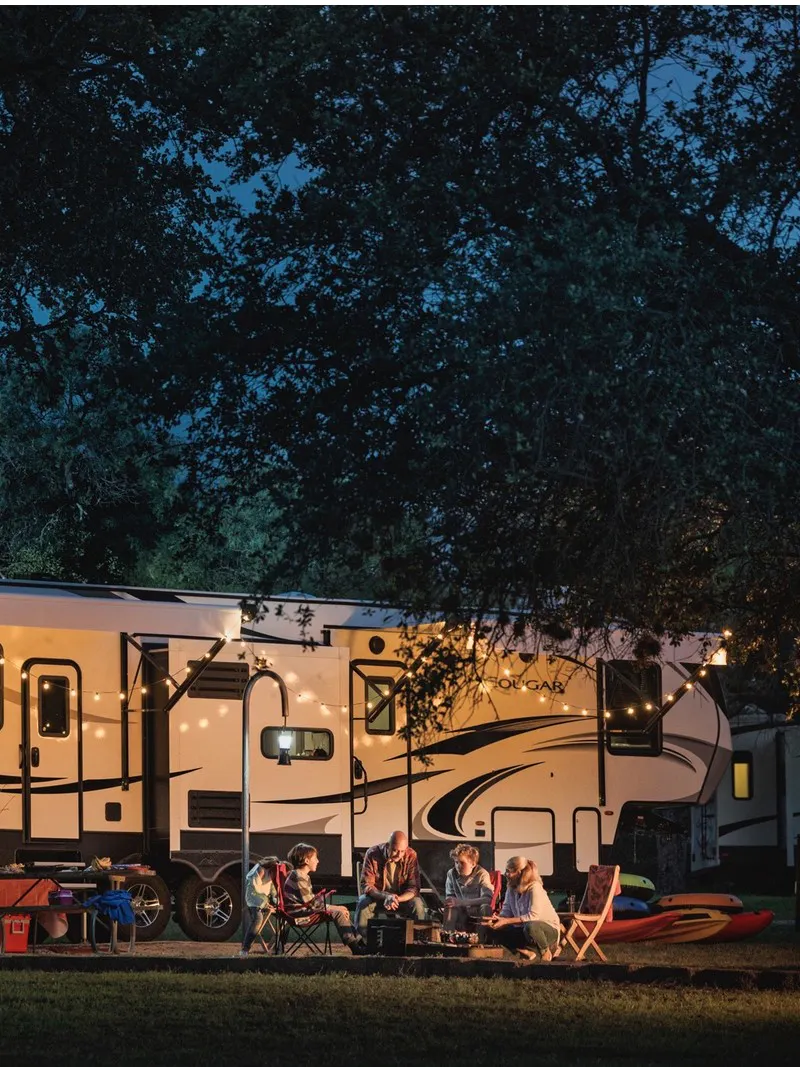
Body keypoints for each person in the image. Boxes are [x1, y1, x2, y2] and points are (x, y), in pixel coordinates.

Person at [283, 842, 368, 954]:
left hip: (304, 911)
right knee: (338, 913)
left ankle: (359, 943)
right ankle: (356, 948)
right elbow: (312, 904)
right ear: (306, 861)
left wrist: (336, 907)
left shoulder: (302, 876)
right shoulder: (298, 877)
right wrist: (336, 908)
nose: (318, 861)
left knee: (341, 911)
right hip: (298, 915)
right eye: (315, 858)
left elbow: (311, 902)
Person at [481, 855, 561, 961]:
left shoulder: (534, 887)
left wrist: (506, 921)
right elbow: (506, 912)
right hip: (523, 929)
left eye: (508, 871)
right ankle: (526, 951)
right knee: (492, 929)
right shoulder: (511, 888)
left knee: (531, 926)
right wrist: (496, 920)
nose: (506, 874)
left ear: (518, 873)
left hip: (546, 931)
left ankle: (545, 951)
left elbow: (533, 916)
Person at [354, 829, 426, 940]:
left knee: (418, 904)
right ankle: (363, 944)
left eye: (402, 851)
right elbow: (367, 885)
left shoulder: (411, 855)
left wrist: (397, 899)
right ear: (388, 846)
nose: (399, 854)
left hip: (401, 899)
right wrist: (386, 896)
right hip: (379, 897)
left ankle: (417, 942)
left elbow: (414, 887)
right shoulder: (373, 853)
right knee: (363, 902)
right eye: (395, 850)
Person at [443, 844, 493, 932]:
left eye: (462, 863)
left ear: (473, 864)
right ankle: (448, 936)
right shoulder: (451, 873)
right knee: (450, 907)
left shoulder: (482, 874)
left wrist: (463, 902)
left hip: (477, 909)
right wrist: (451, 901)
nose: (458, 866)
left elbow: (487, 899)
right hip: (461, 911)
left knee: (486, 908)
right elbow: (450, 896)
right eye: (456, 862)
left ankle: (482, 940)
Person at [239, 855, 280, 957]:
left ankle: (278, 948)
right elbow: (256, 888)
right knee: (258, 919)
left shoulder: (274, 875)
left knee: (284, 917)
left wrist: (276, 902)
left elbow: (273, 892)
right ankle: (245, 949)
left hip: (265, 899)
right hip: (254, 898)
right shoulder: (260, 870)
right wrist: (267, 902)